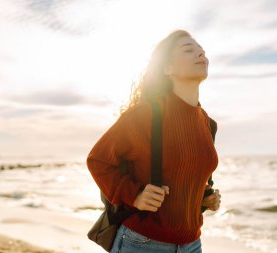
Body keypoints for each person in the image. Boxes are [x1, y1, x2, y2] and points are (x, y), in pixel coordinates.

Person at [86, 29, 221, 253]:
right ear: (167, 68)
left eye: (202, 51)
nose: (201, 54)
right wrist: (134, 195)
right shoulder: (145, 114)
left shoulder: (208, 123)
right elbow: (97, 160)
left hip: (192, 244)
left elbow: (184, 171)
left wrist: (205, 197)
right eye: (189, 50)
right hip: (142, 243)